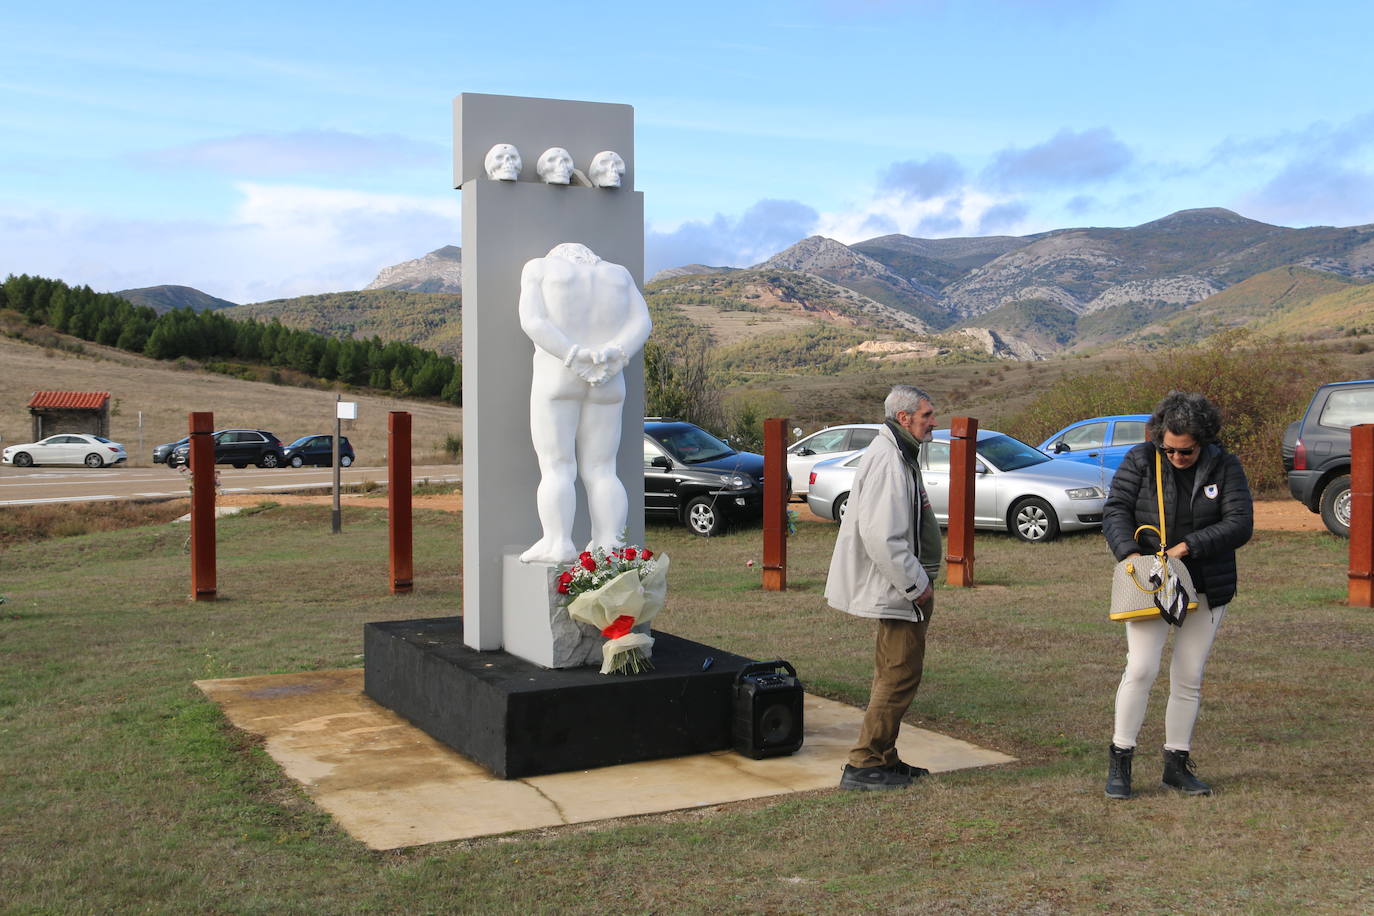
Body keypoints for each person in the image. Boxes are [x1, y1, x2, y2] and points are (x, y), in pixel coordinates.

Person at [1102, 391, 1253, 799]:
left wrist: (1189, 547)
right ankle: (1121, 759)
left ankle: (1176, 764)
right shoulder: (1140, 459)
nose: (1176, 457)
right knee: (1141, 669)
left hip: (1205, 585)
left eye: (1185, 452)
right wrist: (1132, 557)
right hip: (1150, 585)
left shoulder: (1225, 464)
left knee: (1188, 676)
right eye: (1168, 449)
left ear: (1203, 441)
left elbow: (1240, 524)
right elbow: (1115, 510)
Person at [825, 384, 942, 791]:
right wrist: (916, 585)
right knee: (898, 675)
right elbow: (881, 536)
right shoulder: (889, 459)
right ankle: (865, 763)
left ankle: (884, 758)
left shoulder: (899, 452)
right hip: (901, 589)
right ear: (904, 417)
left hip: (903, 588)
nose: (934, 422)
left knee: (894, 672)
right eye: (927, 415)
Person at [516, 242, 652, 565]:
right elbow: (642, 323)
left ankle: (558, 542)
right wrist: (614, 357)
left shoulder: (539, 268)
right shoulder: (618, 276)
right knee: (604, 469)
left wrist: (572, 355)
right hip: (608, 379)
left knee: (557, 466)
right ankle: (610, 543)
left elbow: (532, 322)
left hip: (558, 377)